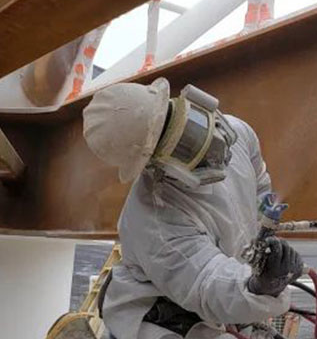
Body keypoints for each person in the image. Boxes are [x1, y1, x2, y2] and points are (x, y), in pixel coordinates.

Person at [82, 78, 304, 339]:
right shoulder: (155, 220)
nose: (205, 143)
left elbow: (259, 183)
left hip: (225, 301)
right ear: (152, 164)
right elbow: (206, 283)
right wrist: (258, 286)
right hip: (165, 320)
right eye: (179, 145)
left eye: (187, 123)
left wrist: (263, 222)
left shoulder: (238, 133)